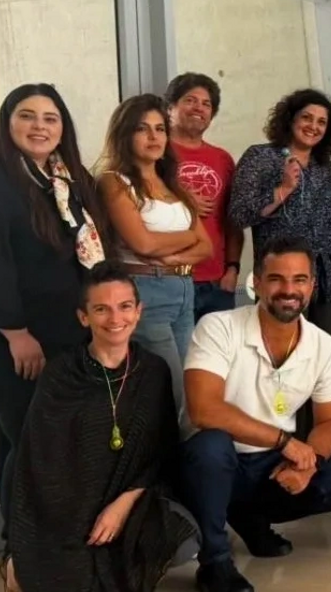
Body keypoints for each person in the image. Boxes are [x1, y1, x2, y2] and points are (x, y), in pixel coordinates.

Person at [178, 236, 331, 592]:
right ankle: (214, 562)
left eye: (299, 280)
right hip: (216, 460)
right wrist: (285, 441)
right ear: (258, 282)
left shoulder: (323, 346)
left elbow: (330, 422)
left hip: (268, 463)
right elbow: (204, 410)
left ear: (312, 286)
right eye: (277, 279)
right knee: (212, 447)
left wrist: (309, 463)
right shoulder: (218, 327)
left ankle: (249, 517)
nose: (288, 290)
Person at [2, 261, 199, 592]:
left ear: (139, 311)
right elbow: (42, 462)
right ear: (84, 317)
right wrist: (84, 517)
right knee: (66, 572)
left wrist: (122, 506)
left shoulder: (154, 372)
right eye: (102, 309)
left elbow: (159, 453)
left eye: (124, 307)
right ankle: (14, 567)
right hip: (65, 507)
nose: (115, 319)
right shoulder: (61, 375)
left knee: (183, 541)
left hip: (129, 498)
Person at [0, 83, 110, 536]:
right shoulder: (4, 179)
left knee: (59, 440)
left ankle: (50, 538)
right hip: (22, 337)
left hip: (70, 332)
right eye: (28, 116)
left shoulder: (68, 179)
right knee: (27, 441)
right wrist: (14, 331)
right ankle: (17, 548)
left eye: (51, 118)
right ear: (8, 123)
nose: (39, 126)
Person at [96, 93, 213, 420]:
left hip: (183, 290)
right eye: (142, 129)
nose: (153, 137)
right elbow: (143, 243)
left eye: (160, 129)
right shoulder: (114, 182)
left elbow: (207, 247)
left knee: (192, 388)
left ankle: (182, 464)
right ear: (125, 134)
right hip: (146, 291)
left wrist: (174, 256)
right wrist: (187, 238)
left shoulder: (172, 185)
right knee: (169, 391)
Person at [229, 88, 331, 338]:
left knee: (321, 350)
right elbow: (239, 214)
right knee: (280, 347)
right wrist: (283, 190)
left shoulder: (329, 170)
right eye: (307, 118)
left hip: (330, 272)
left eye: (322, 122)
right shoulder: (260, 157)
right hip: (280, 273)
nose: (313, 126)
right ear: (291, 119)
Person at [166, 72, 244, 321]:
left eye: (206, 103)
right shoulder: (156, 153)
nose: (199, 107)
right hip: (168, 279)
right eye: (190, 100)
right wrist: (181, 203)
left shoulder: (222, 159)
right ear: (171, 107)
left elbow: (232, 220)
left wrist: (233, 269)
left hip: (216, 283)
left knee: (216, 359)